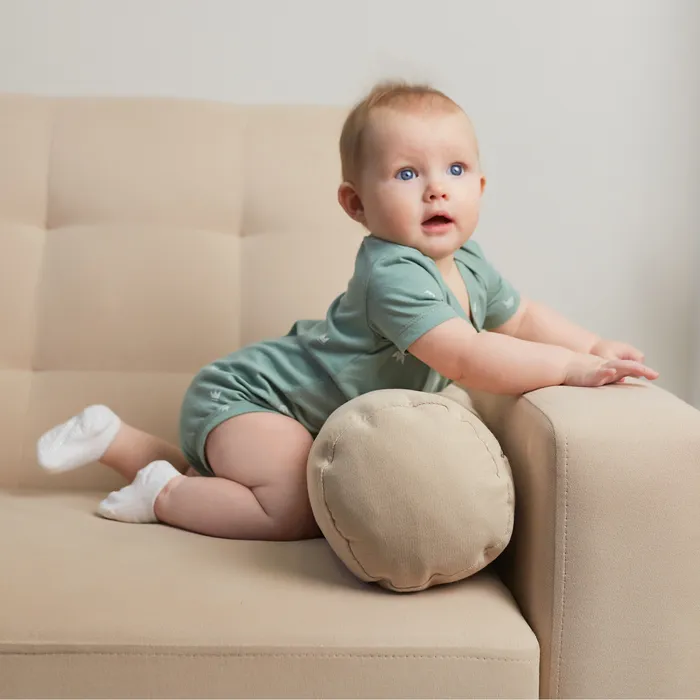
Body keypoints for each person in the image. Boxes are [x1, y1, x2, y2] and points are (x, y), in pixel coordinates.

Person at [36, 80, 659, 541]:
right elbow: (468, 358)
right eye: (407, 173)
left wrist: (591, 346)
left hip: (268, 409)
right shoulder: (393, 273)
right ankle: (163, 498)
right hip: (250, 399)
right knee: (291, 507)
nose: (436, 187)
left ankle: (114, 439)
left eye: (455, 168)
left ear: (480, 188)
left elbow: (520, 319)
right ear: (355, 204)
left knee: (237, 481)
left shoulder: (468, 261)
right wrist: (569, 370)